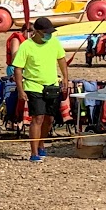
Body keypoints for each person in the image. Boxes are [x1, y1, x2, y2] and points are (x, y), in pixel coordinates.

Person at [10, 17, 70, 163]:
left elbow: (61, 59)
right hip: (33, 85)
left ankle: (42, 143)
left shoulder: (54, 42)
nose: (48, 35)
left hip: (52, 85)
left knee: (49, 119)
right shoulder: (26, 46)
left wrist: (66, 78)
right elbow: (18, 69)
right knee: (38, 118)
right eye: (45, 32)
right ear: (37, 32)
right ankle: (34, 152)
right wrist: (20, 89)